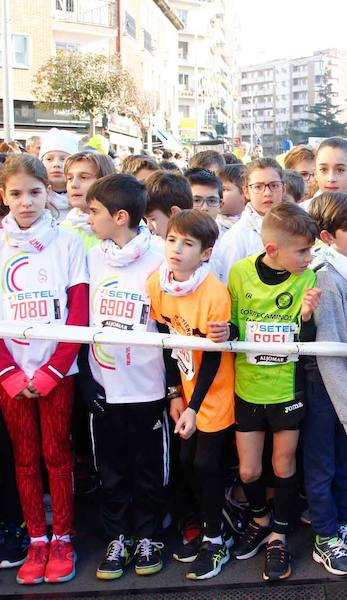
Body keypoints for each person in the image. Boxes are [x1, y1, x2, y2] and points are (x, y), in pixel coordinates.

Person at [212, 202, 319, 581]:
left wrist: (307, 317)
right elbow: (236, 326)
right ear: (272, 249)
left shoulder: (308, 279)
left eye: (311, 250)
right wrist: (227, 333)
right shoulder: (241, 273)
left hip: (287, 388)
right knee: (248, 468)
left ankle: (280, 534)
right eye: (302, 250)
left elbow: (309, 342)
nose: (309, 257)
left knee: (282, 464)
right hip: (248, 387)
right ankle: (259, 519)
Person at [0, 155, 88, 585]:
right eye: (16, 194)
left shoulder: (69, 241)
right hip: (10, 374)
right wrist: (8, 372)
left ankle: (63, 538)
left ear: (46, 192)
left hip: (58, 372)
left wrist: (55, 369)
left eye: (35, 192)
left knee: (56, 455)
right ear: (4, 196)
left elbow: (79, 309)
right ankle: (36, 538)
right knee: (24, 459)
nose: (26, 202)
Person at [83, 174, 168, 580]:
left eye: (94, 211)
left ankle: (150, 534)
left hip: (148, 386)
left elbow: (171, 326)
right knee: (111, 468)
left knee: (149, 468)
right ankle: (118, 537)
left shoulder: (160, 257)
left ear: (120, 216)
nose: (87, 218)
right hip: (104, 385)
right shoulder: (91, 256)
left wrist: (171, 388)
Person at [146, 210, 235, 580]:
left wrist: (194, 407)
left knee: (205, 465)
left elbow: (213, 358)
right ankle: (212, 527)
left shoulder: (214, 293)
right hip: (185, 388)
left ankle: (216, 541)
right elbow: (168, 343)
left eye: (188, 244)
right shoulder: (157, 284)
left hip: (217, 393)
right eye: (171, 240)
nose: (176, 250)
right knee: (187, 464)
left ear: (206, 252)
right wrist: (174, 395)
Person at [303, 193, 347, 576]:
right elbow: (329, 348)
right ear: (328, 236)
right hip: (325, 384)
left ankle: (338, 525)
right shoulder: (328, 278)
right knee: (323, 464)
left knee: (344, 462)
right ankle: (324, 536)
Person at [210, 158, 285, 282]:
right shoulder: (236, 237)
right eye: (258, 187)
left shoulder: (296, 226)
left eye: (274, 185)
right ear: (246, 191)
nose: (267, 193)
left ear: (284, 188)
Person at [62, 151, 116, 251]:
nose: (74, 184)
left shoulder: (125, 226)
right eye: (69, 178)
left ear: (104, 181)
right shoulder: (62, 230)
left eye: (84, 177)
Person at [39, 129, 79, 221]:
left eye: (63, 159)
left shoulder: (85, 202)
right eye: (49, 159)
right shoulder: (34, 201)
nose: (56, 164)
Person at [144, 171, 193, 239]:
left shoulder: (202, 246)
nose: (149, 228)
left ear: (175, 214)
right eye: (146, 220)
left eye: (152, 219)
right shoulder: (154, 245)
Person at [216, 164, 248, 234]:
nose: (217, 194)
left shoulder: (253, 225)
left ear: (245, 192)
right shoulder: (210, 225)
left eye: (224, 189)